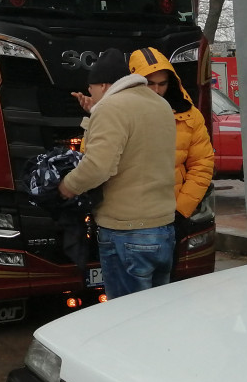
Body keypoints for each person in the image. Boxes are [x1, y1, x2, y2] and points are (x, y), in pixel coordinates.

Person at [58, 48, 177, 299]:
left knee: (126, 322)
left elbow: (98, 166)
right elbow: (136, 142)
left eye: (91, 89)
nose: (90, 94)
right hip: (163, 229)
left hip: (127, 232)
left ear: (102, 84)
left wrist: (67, 187)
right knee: (156, 315)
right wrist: (96, 113)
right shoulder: (160, 104)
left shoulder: (112, 108)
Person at [128, 47, 215, 226]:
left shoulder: (190, 115)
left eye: (162, 83)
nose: (157, 90)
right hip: (129, 216)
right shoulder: (119, 113)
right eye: (150, 83)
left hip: (171, 215)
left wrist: (181, 210)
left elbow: (202, 165)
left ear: (171, 83)